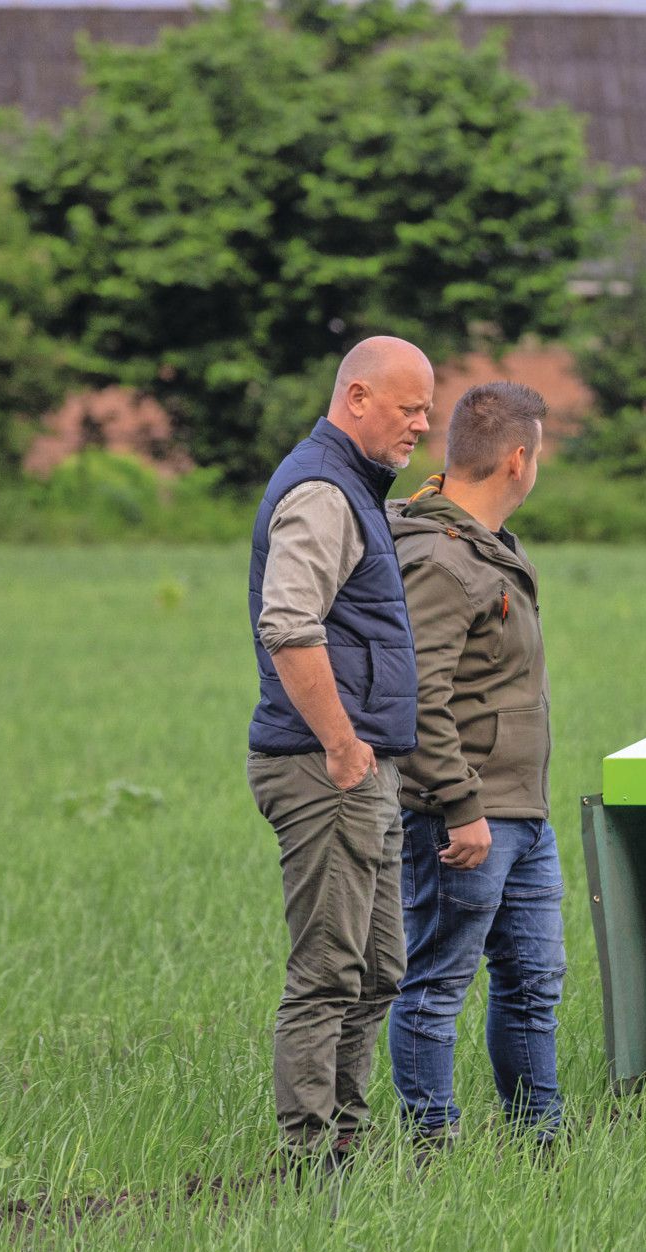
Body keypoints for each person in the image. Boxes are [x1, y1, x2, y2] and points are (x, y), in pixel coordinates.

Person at [247, 336, 435, 1169]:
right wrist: (343, 744)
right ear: (357, 397)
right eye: (409, 408)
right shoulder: (323, 490)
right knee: (329, 968)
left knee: (378, 966)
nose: (422, 425)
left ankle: (348, 1140)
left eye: (427, 410)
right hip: (325, 767)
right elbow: (288, 624)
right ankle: (307, 1158)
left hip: (362, 766)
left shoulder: (357, 488)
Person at [385, 382, 566, 1148]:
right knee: (436, 987)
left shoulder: (491, 547)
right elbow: (415, 696)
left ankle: (541, 1147)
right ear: (518, 458)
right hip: (465, 818)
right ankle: (433, 1150)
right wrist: (460, 804)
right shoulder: (438, 556)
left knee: (533, 985)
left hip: (523, 811)